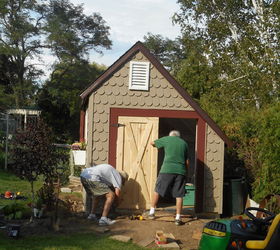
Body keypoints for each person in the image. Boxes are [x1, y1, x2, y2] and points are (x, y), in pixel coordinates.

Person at [149, 130, 189, 226]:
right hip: (181, 171)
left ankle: (151, 212)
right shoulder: (184, 143)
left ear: (170, 135)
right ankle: (178, 218)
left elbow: (152, 143)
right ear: (178, 136)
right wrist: (185, 172)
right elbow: (187, 161)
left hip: (167, 170)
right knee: (179, 195)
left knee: (157, 190)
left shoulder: (167, 139)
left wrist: (157, 144)